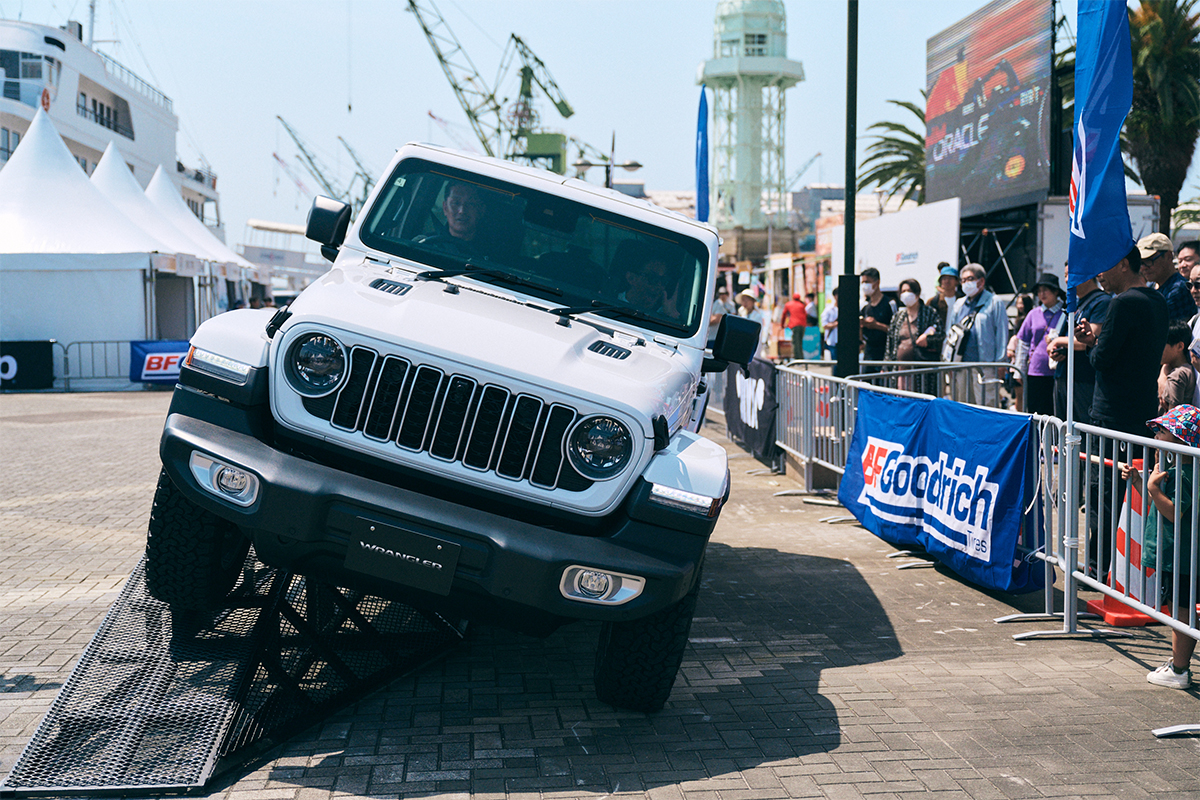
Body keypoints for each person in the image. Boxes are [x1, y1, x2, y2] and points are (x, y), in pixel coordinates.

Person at [1075, 245, 1169, 578]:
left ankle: (1100, 570)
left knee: (1105, 494)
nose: (1100, 274)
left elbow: (1103, 360)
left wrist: (1091, 343)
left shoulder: (1122, 303)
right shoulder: (1157, 300)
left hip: (1113, 415)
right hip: (1141, 412)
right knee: (1129, 493)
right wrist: (1095, 342)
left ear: (1124, 265)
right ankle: (1122, 570)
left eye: (1106, 267)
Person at [1118, 405, 1200, 689]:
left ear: (1181, 439)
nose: (1156, 434)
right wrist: (1142, 483)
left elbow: (1174, 512)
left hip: (1181, 556)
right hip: (1180, 554)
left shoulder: (1185, 472)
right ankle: (1179, 662)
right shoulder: (1179, 468)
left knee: (1181, 612)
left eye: (1163, 430)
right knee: (1182, 609)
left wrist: (1153, 488)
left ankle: (1179, 669)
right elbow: (1161, 506)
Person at [1047, 276, 1110, 425]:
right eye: (1065, 274)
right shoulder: (1075, 303)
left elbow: (1087, 340)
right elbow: (1067, 337)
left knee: (1082, 431)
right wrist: (1058, 350)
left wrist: (1057, 341)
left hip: (1084, 379)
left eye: (1071, 273)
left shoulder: (1102, 301)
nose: (1067, 279)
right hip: (1064, 375)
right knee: (1062, 430)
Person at [945, 263, 1009, 404]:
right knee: (962, 405)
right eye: (963, 280)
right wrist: (948, 362)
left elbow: (1001, 335)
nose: (966, 283)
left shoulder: (994, 302)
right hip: (960, 366)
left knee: (986, 405)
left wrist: (1000, 363)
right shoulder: (959, 304)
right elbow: (950, 333)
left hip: (985, 366)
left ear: (981, 281)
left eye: (970, 279)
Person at [1015, 275, 1066, 416]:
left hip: (1059, 370)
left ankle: (1055, 439)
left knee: (1056, 412)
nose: (1042, 294)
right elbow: (1023, 343)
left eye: (1046, 290)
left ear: (1056, 291)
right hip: (1035, 370)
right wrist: (1019, 369)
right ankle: (1037, 439)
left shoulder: (1066, 312)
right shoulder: (1033, 314)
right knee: (1035, 411)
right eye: (1039, 291)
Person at [884, 278, 942, 395]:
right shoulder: (898, 316)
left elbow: (940, 334)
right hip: (900, 370)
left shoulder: (929, 313)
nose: (906, 294)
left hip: (921, 371)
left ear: (917, 293)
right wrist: (886, 365)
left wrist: (928, 339)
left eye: (909, 290)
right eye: (903, 291)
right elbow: (890, 342)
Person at [1139, 232, 1195, 322]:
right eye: (1141, 262)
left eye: (1149, 260)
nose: (1143, 267)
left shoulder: (1179, 289)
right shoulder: (1153, 286)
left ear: (1168, 256)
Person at [859, 267, 894, 373]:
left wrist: (876, 325)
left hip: (884, 352)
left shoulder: (889, 304)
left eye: (867, 282)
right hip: (869, 353)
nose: (865, 285)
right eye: (863, 282)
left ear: (877, 283)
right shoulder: (865, 306)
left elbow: (896, 330)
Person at [1159, 320, 1196, 413]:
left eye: (1163, 345)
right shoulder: (1188, 369)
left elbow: (1172, 420)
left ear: (1180, 346)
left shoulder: (1177, 376)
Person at [1005, 294, 1035, 410]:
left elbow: (1021, 339)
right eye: (1018, 303)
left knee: (1020, 393)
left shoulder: (1026, 318)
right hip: (1016, 358)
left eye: (1022, 303)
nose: (1019, 306)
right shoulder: (1020, 318)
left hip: (1020, 359)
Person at [736, 290, 769, 359]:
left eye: (747, 300)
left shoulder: (757, 315)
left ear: (753, 302)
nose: (745, 303)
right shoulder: (742, 313)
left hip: (752, 345)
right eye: (743, 300)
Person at [933, 263, 961, 330]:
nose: (947, 281)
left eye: (950, 278)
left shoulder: (962, 300)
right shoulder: (934, 301)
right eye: (944, 278)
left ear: (956, 281)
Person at [781, 292, 807, 361]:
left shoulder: (788, 304)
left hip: (794, 325)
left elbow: (784, 315)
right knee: (800, 342)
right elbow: (805, 314)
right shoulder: (802, 305)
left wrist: (782, 325)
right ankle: (801, 357)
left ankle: (797, 359)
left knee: (795, 342)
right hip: (802, 325)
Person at [821, 288, 839, 360]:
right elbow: (824, 324)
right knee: (835, 363)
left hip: (844, 340)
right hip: (833, 340)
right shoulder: (829, 309)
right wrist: (835, 324)